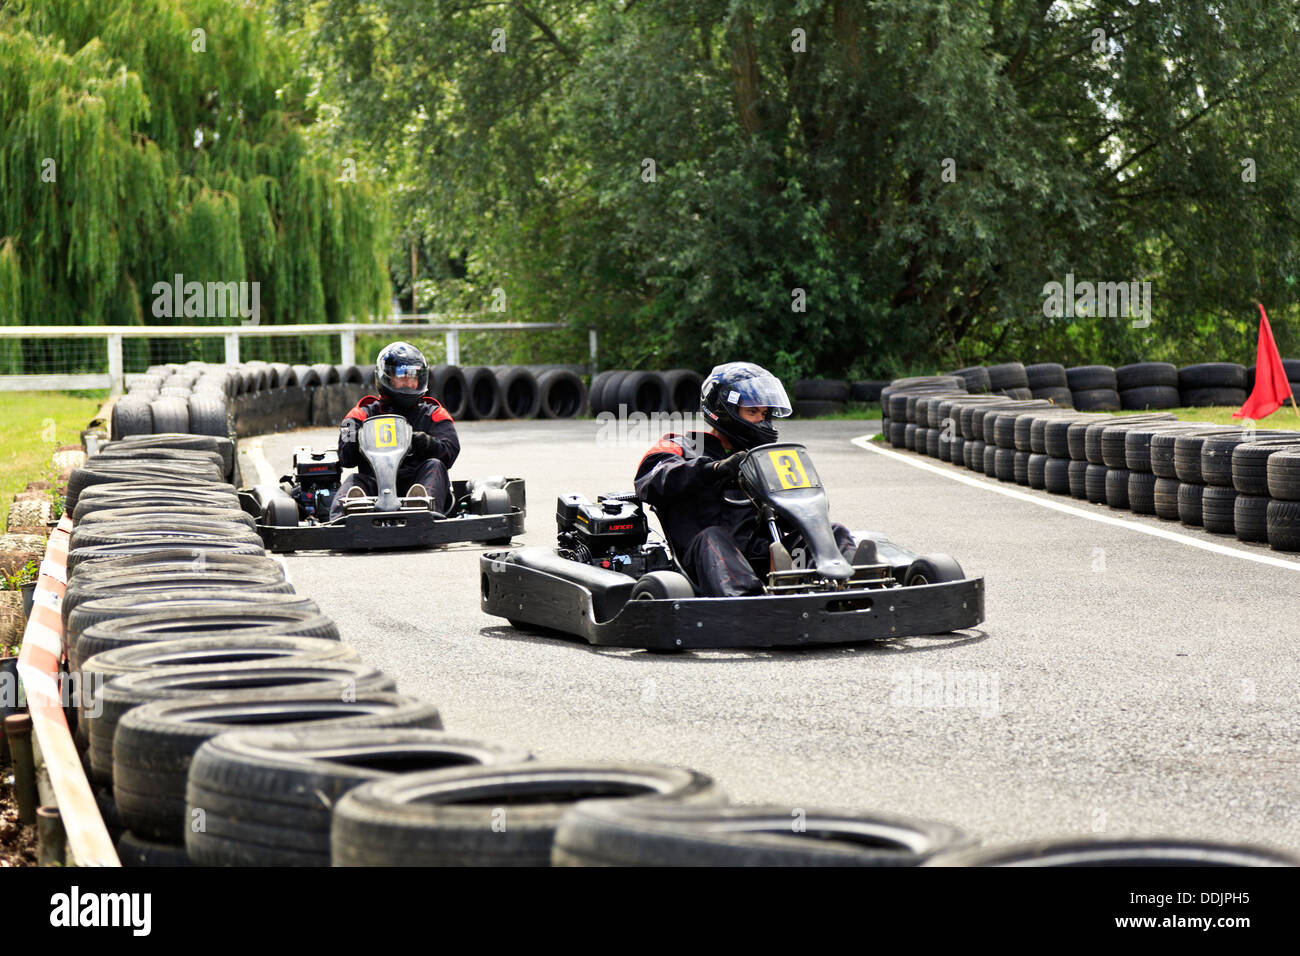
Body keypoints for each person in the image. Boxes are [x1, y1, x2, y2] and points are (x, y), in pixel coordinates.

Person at [634, 361, 859, 597]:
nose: (761, 421)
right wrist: (715, 469)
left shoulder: (764, 457)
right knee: (713, 537)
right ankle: (747, 602)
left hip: (761, 554)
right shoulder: (681, 446)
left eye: (764, 413)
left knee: (834, 532)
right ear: (723, 410)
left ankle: (849, 587)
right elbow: (652, 478)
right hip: (706, 560)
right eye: (752, 412)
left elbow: (795, 518)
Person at [329, 342, 460, 519]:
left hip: (418, 482)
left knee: (435, 466)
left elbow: (450, 453)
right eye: (401, 375)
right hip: (375, 487)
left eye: (413, 375)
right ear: (386, 377)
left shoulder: (435, 413)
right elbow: (345, 458)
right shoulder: (359, 414)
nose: (408, 381)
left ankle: (421, 508)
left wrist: (426, 443)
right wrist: (360, 439)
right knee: (354, 481)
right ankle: (344, 518)